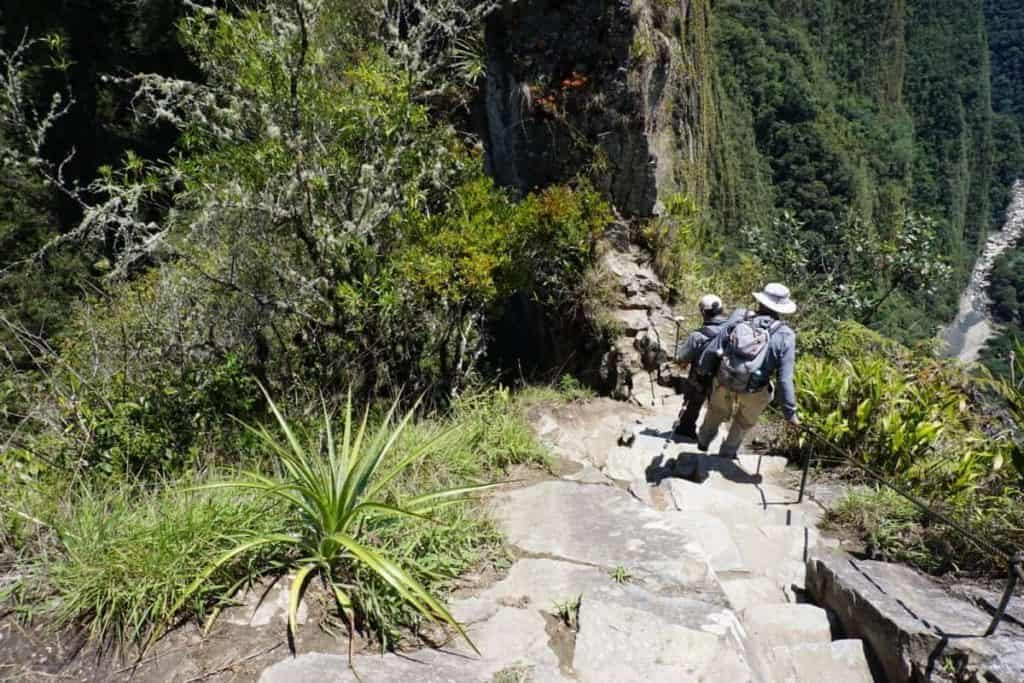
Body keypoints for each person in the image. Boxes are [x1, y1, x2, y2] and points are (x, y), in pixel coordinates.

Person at [696, 283, 799, 458]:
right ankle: (727, 453)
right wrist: (790, 413)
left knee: (716, 410)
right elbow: (784, 379)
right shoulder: (785, 335)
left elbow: (716, 344)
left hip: (725, 379)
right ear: (781, 308)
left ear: (761, 301)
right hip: (755, 389)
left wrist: (703, 369)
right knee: (744, 421)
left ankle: (703, 442)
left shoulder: (740, 316)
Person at [673, 294, 729, 439]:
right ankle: (711, 435)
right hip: (723, 378)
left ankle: (686, 428)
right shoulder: (731, 331)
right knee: (716, 407)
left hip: (700, 379)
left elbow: (681, 358)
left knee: (694, 401)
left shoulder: (697, 336)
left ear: (703, 312)